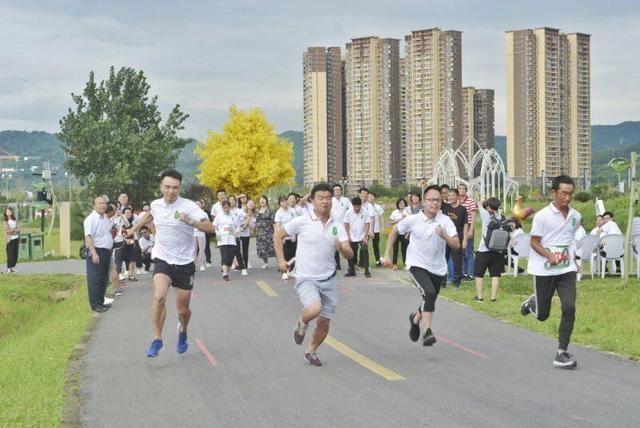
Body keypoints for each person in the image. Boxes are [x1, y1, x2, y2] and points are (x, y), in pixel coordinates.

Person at [126, 170, 213, 357]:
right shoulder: (156, 205)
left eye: (175, 187)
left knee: (183, 310)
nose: (171, 191)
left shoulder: (189, 206)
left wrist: (189, 220)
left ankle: (183, 330)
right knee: (159, 296)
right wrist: (133, 228)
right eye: (167, 187)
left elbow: (210, 227)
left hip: (184, 262)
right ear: (161, 187)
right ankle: (157, 339)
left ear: (179, 188)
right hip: (162, 258)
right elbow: (149, 216)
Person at [273, 183, 353, 366]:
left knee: (324, 322)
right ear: (313, 200)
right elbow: (278, 236)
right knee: (314, 309)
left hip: (329, 280)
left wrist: (343, 249)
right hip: (306, 278)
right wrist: (280, 260)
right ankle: (302, 322)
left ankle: (311, 351)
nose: (325, 201)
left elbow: (349, 253)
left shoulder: (337, 225)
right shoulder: (302, 221)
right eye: (321, 198)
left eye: (328, 198)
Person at [383, 185, 459, 346]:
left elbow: (457, 244)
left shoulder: (445, 221)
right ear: (424, 201)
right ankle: (427, 331)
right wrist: (387, 253)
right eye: (431, 200)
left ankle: (415, 319)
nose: (435, 203)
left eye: (438, 200)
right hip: (416, 265)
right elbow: (395, 231)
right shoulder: (413, 219)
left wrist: (443, 235)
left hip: (438, 268)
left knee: (429, 298)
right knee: (429, 293)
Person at [520, 175, 581, 369]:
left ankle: (561, 352)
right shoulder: (542, 216)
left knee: (569, 307)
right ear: (554, 193)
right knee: (542, 315)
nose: (567, 198)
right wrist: (549, 256)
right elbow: (534, 241)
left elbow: (571, 239)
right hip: (544, 270)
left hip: (566, 270)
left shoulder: (576, 216)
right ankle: (532, 303)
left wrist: (575, 259)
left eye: (570, 194)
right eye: (563, 193)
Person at [83, 196, 114, 312]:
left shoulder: (105, 217)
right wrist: (94, 253)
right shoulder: (90, 219)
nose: (103, 206)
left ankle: (101, 301)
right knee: (95, 278)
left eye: (104, 203)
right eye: (100, 203)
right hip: (96, 250)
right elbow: (88, 236)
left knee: (104, 278)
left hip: (105, 251)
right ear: (94, 205)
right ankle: (95, 305)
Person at [473, 197, 504, 302]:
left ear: (489, 207)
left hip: (483, 249)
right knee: (495, 275)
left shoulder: (485, 215)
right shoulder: (502, 217)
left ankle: (480, 297)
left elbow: (479, 203)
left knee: (479, 274)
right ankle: (493, 298)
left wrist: (484, 201)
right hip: (497, 250)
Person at [441, 189, 468, 289]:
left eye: (453, 195)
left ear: (457, 197)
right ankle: (442, 282)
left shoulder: (462, 209)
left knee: (457, 261)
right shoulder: (446, 207)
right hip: (445, 238)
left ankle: (456, 283)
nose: (451, 197)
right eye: (449, 195)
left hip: (457, 238)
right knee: (443, 260)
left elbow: (465, 225)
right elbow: (438, 198)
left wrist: (465, 240)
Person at [343, 197, 371, 278]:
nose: (357, 208)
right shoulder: (348, 212)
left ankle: (366, 270)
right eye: (355, 207)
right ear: (352, 205)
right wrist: (348, 236)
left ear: (361, 205)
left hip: (362, 235)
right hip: (352, 235)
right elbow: (346, 224)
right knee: (351, 252)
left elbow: (367, 224)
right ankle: (352, 270)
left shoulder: (365, 212)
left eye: (359, 206)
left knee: (364, 250)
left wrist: (365, 236)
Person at [213, 201, 238, 281]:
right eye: (224, 208)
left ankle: (226, 270)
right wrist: (218, 236)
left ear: (230, 207)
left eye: (228, 208)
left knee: (230, 258)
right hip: (222, 240)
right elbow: (214, 226)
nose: (226, 209)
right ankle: (225, 274)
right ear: (222, 208)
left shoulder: (233, 216)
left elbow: (236, 226)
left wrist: (236, 232)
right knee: (225, 257)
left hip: (231, 239)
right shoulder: (219, 216)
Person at [458, 183, 478, 281]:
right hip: (459, 227)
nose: (461, 190)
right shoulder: (456, 201)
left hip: (469, 225)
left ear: (466, 190)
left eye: (463, 189)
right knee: (461, 251)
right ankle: (464, 273)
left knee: (469, 251)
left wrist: (471, 230)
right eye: (460, 189)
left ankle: (471, 274)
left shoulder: (470, 201)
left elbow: (474, 216)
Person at [331, 183, 352, 270]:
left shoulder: (346, 200)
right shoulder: (331, 200)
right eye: (335, 190)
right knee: (336, 243)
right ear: (333, 191)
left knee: (346, 244)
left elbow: (351, 209)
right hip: (334, 226)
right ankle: (337, 264)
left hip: (344, 226)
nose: (337, 191)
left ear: (341, 191)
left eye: (338, 190)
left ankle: (351, 265)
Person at [275, 195, 296, 280]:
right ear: (279, 203)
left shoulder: (292, 211)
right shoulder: (279, 213)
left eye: (285, 200)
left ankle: (291, 271)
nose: (284, 203)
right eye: (282, 201)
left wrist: (294, 235)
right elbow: (278, 225)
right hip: (284, 237)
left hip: (292, 236)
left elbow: (295, 223)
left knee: (293, 254)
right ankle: (284, 272)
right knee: (285, 254)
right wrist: (281, 237)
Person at [255, 195, 276, 268]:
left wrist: (275, 232)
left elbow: (273, 222)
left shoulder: (270, 210)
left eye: (263, 199)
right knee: (262, 248)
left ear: (266, 200)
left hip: (269, 232)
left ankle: (279, 261)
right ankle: (265, 263)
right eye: (260, 199)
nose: (262, 201)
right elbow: (255, 222)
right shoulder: (257, 211)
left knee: (273, 247)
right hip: (260, 233)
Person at [237, 199, 256, 274]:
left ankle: (245, 265)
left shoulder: (254, 214)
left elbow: (253, 226)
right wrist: (245, 220)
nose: (251, 205)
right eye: (250, 203)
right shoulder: (241, 211)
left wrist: (249, 221)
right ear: (246, 204)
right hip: (238, 233)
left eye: (252, 203)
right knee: (237, 249)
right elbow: (237, 220)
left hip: (246, 234)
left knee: (245, 250)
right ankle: (239, 264)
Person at [389, 198, 409, 270]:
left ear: (405, 204)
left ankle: (405, 264)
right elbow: (391, 222)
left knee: (404, 249)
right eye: (400, 203)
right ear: (398, 204)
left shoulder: (407, 212)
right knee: (395, 249)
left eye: (403, 203)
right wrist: (400, 219)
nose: (401, 204)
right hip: (396, 233)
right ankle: (394, 264)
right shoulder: (395, 212)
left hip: (404, 233)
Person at [121, 206, 139, 281]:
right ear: (123, 213)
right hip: (122, 242)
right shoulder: (121, 221)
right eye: (127, 212)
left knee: (133, 259)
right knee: (122, 259)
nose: (129, 214)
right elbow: (120, 233)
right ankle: (120, 275)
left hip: (132, 241)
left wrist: (135, 240)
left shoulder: (133, 221)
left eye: (130, 212)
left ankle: (131, 275)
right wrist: (125, 240)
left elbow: (135, 232)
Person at [368, 192, 385, 266]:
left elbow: (381, 217)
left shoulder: (378, 207)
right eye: (369, 197)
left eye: (372, 196)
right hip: (367, 230)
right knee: (365, 246)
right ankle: (364, 262)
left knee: (376, 246)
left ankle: (378, 261)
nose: (370, 198)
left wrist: (382, 227)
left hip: (376, 229)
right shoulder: (365, 207)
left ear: (374, 198)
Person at [3, 207, 20, 273]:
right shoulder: (5, 221)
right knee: (10, 255)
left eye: (10, 211)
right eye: (7, 211)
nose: (9, 212)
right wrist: (14, 230)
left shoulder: (15, 219)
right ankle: (8, 268)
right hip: (10, 240)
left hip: (16, 239)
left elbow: (19, 228)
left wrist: (15, 231)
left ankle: (11, 268)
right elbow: (7, 231)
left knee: (15, 255)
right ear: (5, 213)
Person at [193, 199, 207, 272]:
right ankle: (194, 265)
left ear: (201, 205)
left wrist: (203, 222)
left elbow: (207, 223)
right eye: (196, 204)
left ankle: (201, 264)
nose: (197, 205)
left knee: (201, 249)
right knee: (194, 249)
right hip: (193, 233)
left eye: (199, 204)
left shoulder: (204, 213)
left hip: (201, 232)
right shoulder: (192, 213)